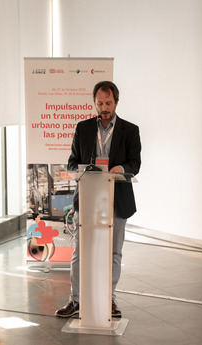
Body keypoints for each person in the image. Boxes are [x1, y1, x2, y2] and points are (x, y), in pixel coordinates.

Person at [55, 81, 141, 318]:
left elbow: (135, 163)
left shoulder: (130, 130)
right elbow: (72, 162)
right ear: (94, 102)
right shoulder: (82, 128)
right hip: (89, 198)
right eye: (100, 103)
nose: (104, 107)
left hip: (117, 198)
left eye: (108, 103)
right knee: (80, 252)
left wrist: (121, 168)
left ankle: (109, 299)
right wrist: (84, 169)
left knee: (114, 252)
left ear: (116, 102)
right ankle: (76, 300)